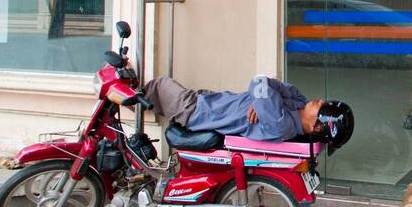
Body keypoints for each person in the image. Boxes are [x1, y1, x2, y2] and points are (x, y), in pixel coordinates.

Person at [142, 75, 354, 148]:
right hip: (211, 102)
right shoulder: (299, 102)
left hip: (199, 112)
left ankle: (125, 102)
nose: (321, 100)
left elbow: (258, 82)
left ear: (317, 125)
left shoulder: (281, 124)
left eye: (322, 107)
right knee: (156, 99)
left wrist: (263, 96)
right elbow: (271, 85)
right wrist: (260, 99)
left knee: (160, 85)